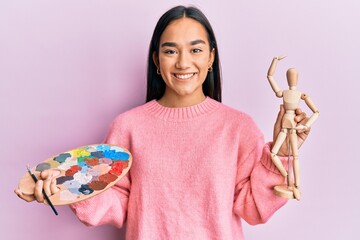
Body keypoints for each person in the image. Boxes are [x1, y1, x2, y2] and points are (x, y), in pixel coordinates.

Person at [15, 5, 310, 239]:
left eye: (195, 49)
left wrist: (279, 154)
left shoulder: (238, 127)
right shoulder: (128, 127)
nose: (183, 63)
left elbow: (253, 207)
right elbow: (116, 204)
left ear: (210, 58)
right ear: (156, 59)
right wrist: (67, 191)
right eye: (170, 51)